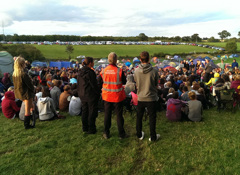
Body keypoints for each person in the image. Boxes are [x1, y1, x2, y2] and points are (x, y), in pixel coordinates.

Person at [134, 51, 160, 141]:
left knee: (139, 117)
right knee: (152, 117)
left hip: (140, 97)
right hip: (151, 97)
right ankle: (153, 136)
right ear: (149, 59)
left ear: (140, 60)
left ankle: (139, 134)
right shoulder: (154, 71)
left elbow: (137, 84)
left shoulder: (136, 71)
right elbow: (156, 84)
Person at [100, 52, 127, 139]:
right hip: (117, 96)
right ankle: (121, 134)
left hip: (107, 96)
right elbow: (124, 81)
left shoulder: (103, 71)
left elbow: (100, 82)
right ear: (116, 60)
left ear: (108, 60)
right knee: (119, 115)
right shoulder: (119, 71)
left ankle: (106, 133)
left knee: (107, 115)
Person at [77, 57, 100, 134]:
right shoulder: (90, 72)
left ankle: (85, 127)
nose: (93, 64)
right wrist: (98, 92)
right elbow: (94, 85)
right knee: (91, 112)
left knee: (84, 111)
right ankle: (91, 128)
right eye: (93, 62)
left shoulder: (80, 71)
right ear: (90, 63)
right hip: (90, 94)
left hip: (82, 94)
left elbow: (79, 84)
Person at [12, 56, 35, 129]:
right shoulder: (23, 74)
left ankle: (32, 119)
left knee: (31, 106)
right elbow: (30, 85)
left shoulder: (14, 74)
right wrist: (33, 89)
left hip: (20, 93)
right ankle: (27, 125)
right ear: (22, 64)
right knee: (27, 110)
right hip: (26, 93)